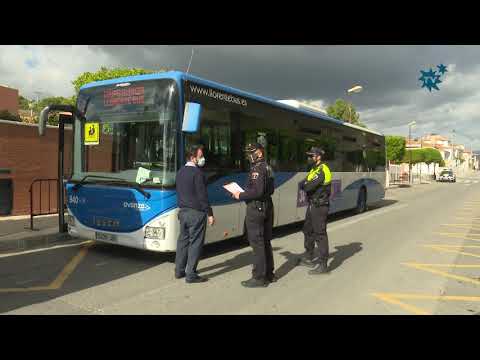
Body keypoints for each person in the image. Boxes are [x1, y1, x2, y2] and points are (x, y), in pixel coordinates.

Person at [232, 143, 275, 288]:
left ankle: (258, 277)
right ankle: (269, 274)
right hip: (267, 206)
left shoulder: (258, 169)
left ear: (260, 153)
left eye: (251, 152)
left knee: (257, 243)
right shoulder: (268, 167)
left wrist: (240, 194)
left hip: (256, 208)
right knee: (265, 241)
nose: (249, 155)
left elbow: (257, 191)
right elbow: (271, 190)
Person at [175, 144, 215, 283]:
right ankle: (191, 274)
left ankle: (179, 270)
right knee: (195, 243)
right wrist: (210, 214)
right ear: (193, 158)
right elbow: (202, 196)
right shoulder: (197, 173)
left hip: (183, 212)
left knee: (183, 242)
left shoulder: (180, 171)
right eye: (200, 156)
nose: (202, 158)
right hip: (196, 213)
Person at [298, 147, 332, 274]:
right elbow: (302, 183)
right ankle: (309, 255)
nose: (309, 158)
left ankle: (323, 264)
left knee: (320, 234)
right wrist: (305, 184)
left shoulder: (323, 169)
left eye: (312, 156)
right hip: (312, 204)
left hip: (320, 206)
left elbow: (307, 186)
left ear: (318, 157)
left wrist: (305, 184)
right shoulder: (314, 169)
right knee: (307, 230)